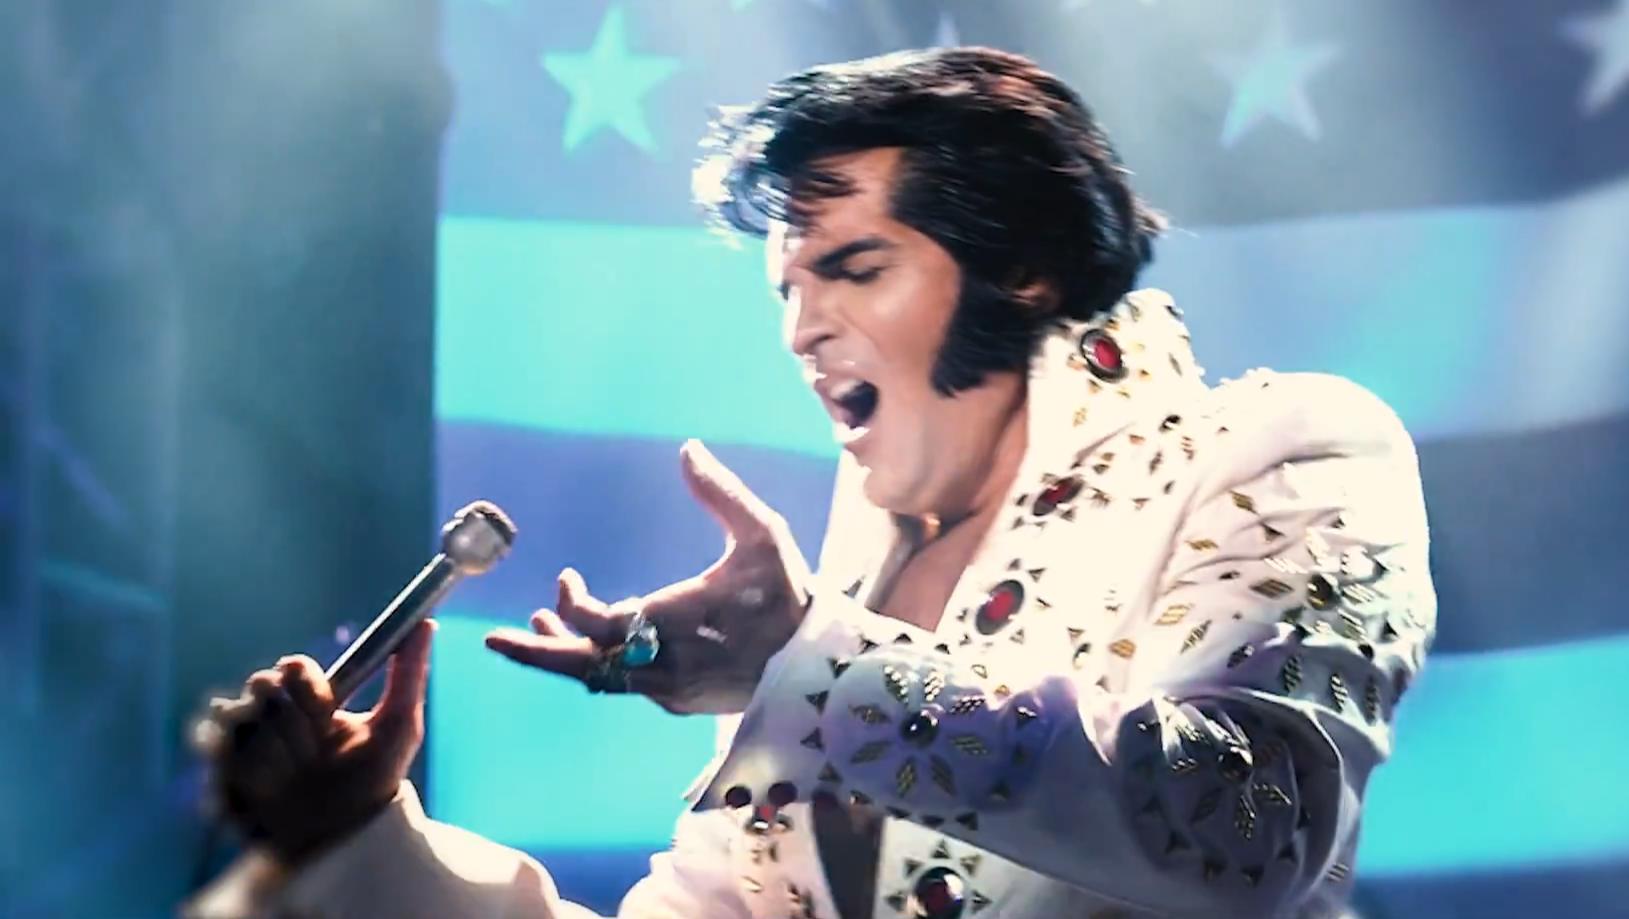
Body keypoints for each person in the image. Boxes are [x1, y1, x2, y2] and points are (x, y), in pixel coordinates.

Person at [190, 47, 1436, 919]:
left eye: (853, 269)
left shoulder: (1286, 442)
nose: (801, 328)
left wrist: (814, 669)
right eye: (787, 287)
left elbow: (1248, 826)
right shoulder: (838, 592)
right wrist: (361, 835)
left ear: (1026, 269)